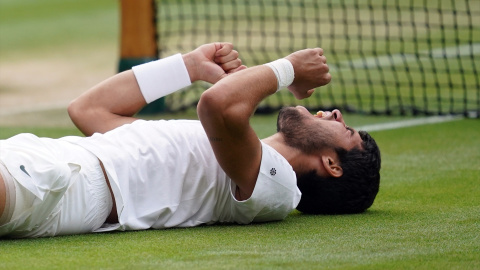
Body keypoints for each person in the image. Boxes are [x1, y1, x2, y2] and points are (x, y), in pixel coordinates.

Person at [0, 42, 381, 238]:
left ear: (332, 165)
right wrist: (188, 67)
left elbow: (218, 105)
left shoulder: (279, 188)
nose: (334, 114)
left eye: (345, 130)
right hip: (47, 162)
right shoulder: (216, 148)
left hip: (61, 184)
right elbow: (89, 110)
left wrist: (289, 69)